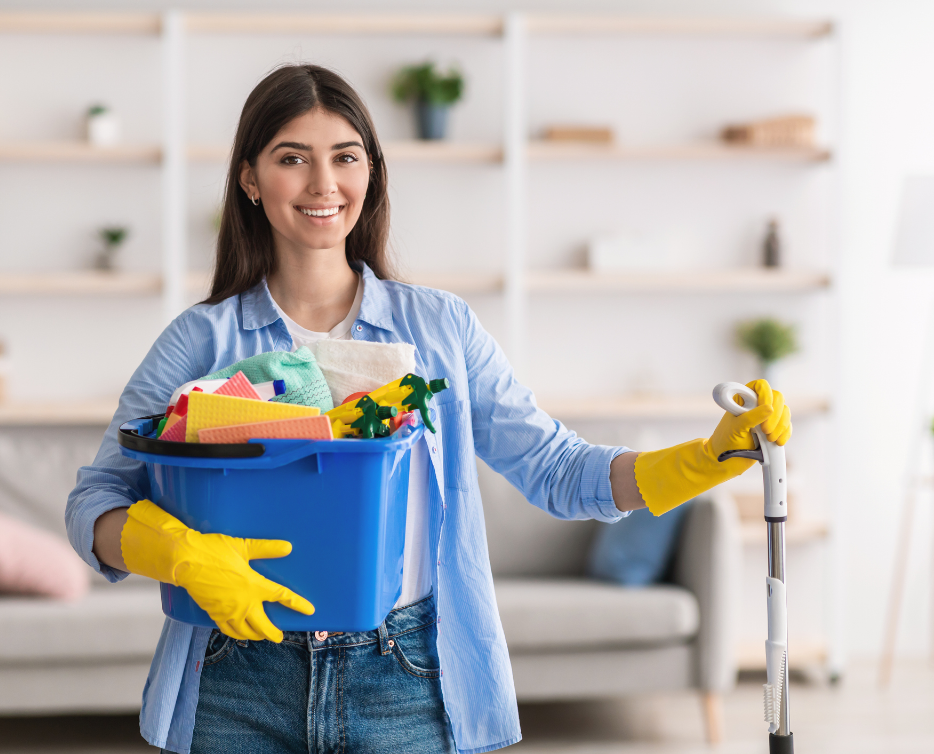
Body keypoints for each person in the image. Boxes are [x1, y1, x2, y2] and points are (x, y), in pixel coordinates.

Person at [67, 64, 792, 754]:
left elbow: (557, 470)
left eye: (346, 157)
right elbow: (95, 500)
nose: (324, 183)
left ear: (372, 172)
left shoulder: (440, 330)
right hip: (236, 679)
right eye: (293, 158)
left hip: (406, 679)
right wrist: (181, 556)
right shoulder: (202, 341)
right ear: (250, 178)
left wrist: (707, 459)